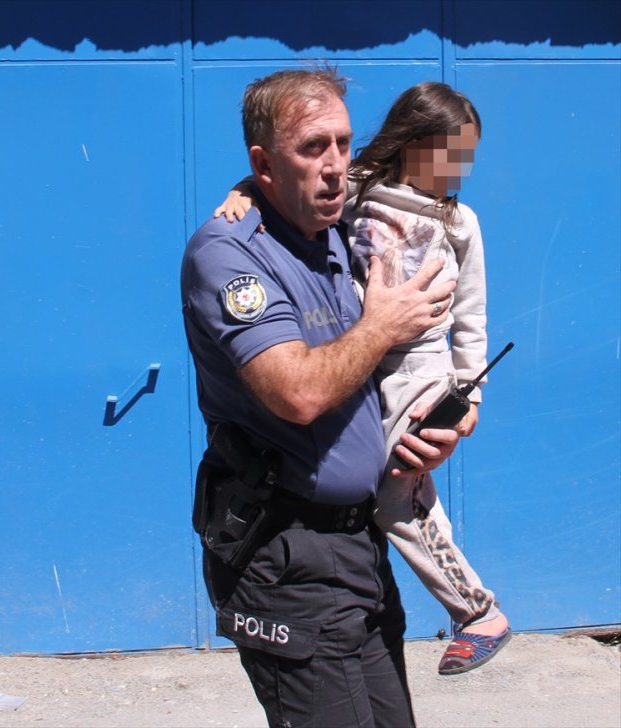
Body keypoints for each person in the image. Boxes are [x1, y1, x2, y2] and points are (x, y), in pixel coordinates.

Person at [181, 69, 461, 727]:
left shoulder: (335, 230)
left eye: (343, 142)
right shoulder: (230, 255)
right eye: (313, 147)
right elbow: (299, 393)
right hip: (286, 556)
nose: (336, 165)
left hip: (360, 545)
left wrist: (430, 428)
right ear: (264, 164)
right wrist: (382, 326)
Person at [214, 82, 511, 676]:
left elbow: (472, 317)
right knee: (390, 493)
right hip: (366, 361)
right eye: (451, 153)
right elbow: (281, 182)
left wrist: (469, 398)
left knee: (397, 493)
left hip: (421, 369)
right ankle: (454, 608)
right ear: (412, 142)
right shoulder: (361, 188)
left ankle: (478, 612)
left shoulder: (460, 221)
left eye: (467, 157)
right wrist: (240, 193)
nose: (459, 169)